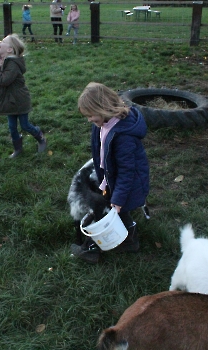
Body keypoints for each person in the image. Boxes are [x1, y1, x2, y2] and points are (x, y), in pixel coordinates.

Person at [71, 82, 150, 264]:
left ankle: (94, 247)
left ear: (104, 108)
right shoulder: (102, 124)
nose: (89, 119)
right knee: (118, 211)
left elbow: (127, 171)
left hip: (128, 183)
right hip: (112, 178)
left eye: (91, 114)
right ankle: (130, 239)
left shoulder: (124, 136)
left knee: (115, 209)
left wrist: (119, 198)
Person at [0, 34, 47, 158]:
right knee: (12, 127)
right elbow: (1, 75)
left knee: (25, 125)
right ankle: (18, 149)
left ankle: (40, 137)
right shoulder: (6, 61)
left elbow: (4, 80)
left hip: (20, 100)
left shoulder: (13, 64)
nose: (0, 42)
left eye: (3, 41)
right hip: (10, 101)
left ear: (9, 49)